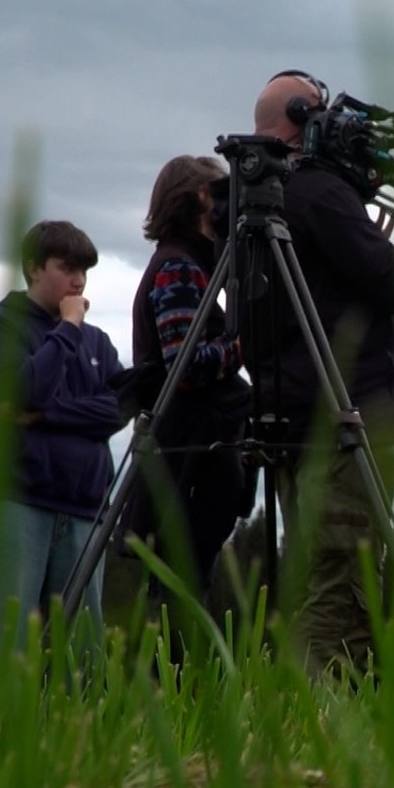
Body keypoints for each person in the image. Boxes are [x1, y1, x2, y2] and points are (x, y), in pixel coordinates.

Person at [250, 69, 394, 673]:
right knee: (344, 579)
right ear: (302, 118)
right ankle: (324, 717)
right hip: (343, 419)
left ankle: (307, 712)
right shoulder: (321, 192)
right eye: (324, 112)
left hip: (296, 415)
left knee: (320, 574)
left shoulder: (258, 199)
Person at [0, 219, 125, 680]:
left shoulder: (99, 343)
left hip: (83, 506)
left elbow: (118, 410)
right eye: (66, 268)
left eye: (84, 271)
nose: (78, 281)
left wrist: (46, 417)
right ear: (33, 268)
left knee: (81, 650)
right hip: (13, 497)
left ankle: (81, 741)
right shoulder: (0, 326)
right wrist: (67, 329)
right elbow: (28, 387)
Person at [123, 154, 256, 630]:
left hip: (191, 452)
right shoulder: (178, 268)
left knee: (186, 585)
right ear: (202, 197)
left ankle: (173, 682)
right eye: (221, 190)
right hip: (189, 454)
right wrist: (244, 345)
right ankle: (169, 685)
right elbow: (186, 366)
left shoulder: (185, 263)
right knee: (182, 588)